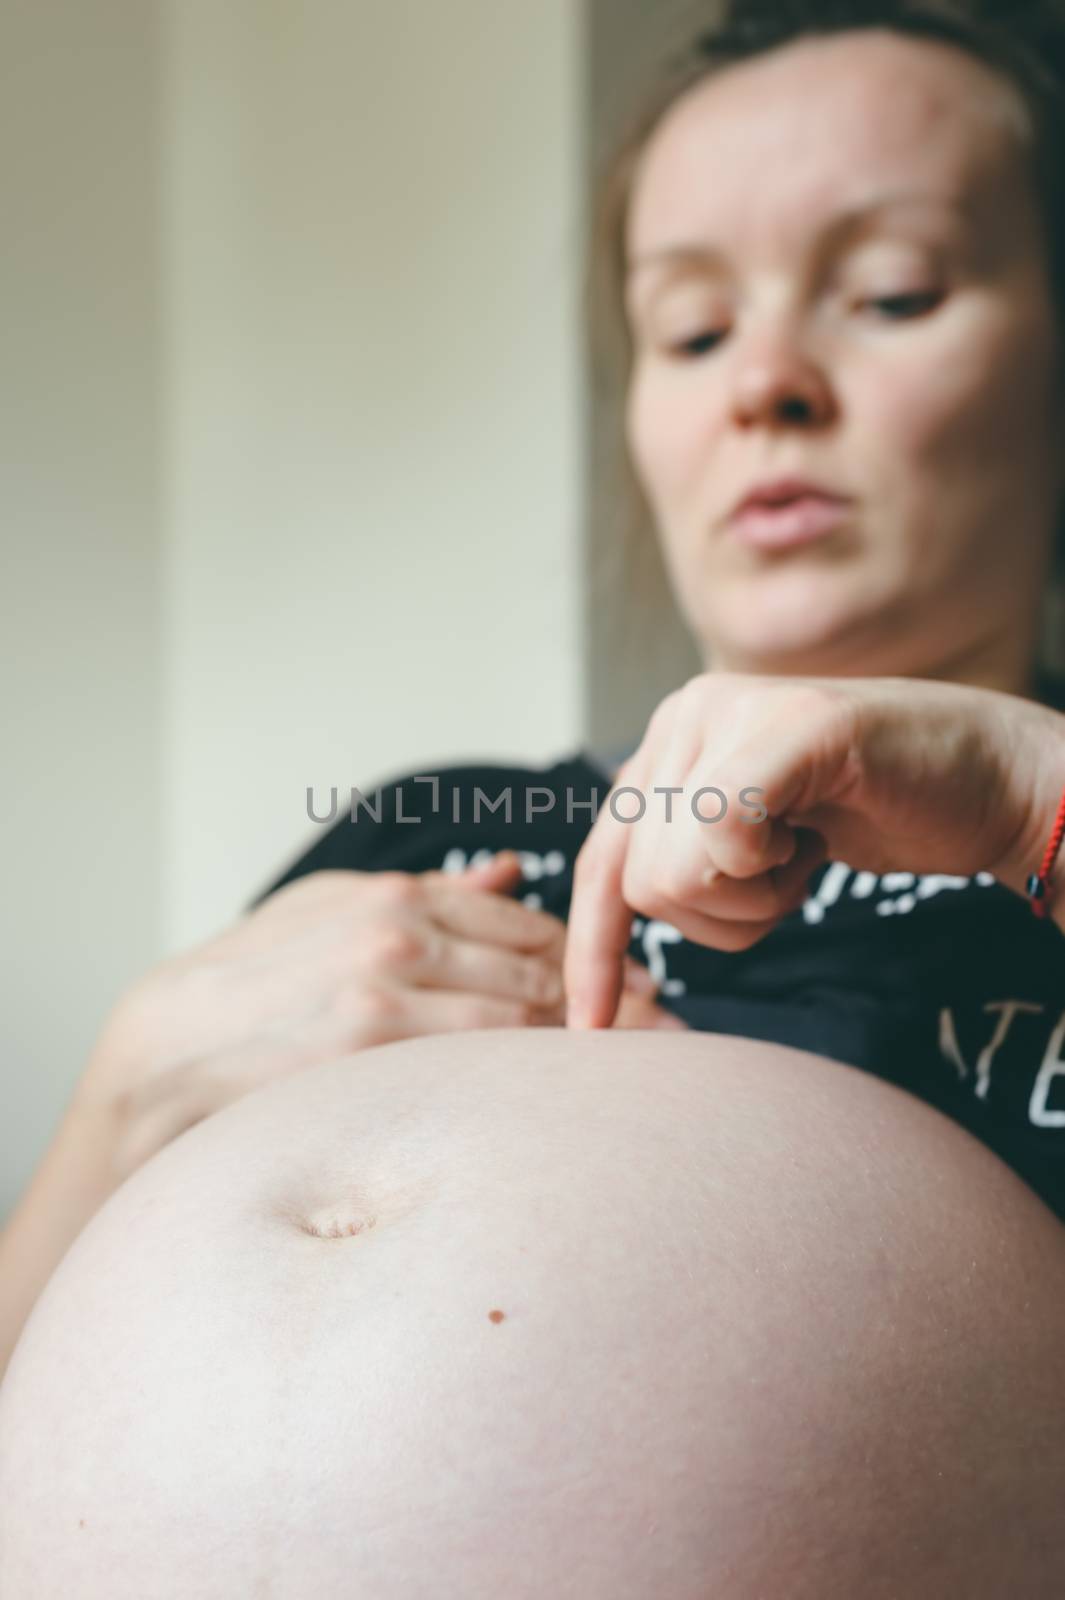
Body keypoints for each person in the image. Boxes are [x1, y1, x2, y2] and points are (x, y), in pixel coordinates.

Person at [3, 4, 1065, 1593]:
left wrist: (1025, 788)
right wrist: (125, 1098)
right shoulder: (430, 834)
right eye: (689, 329)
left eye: (888, 291)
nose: (761, 380)